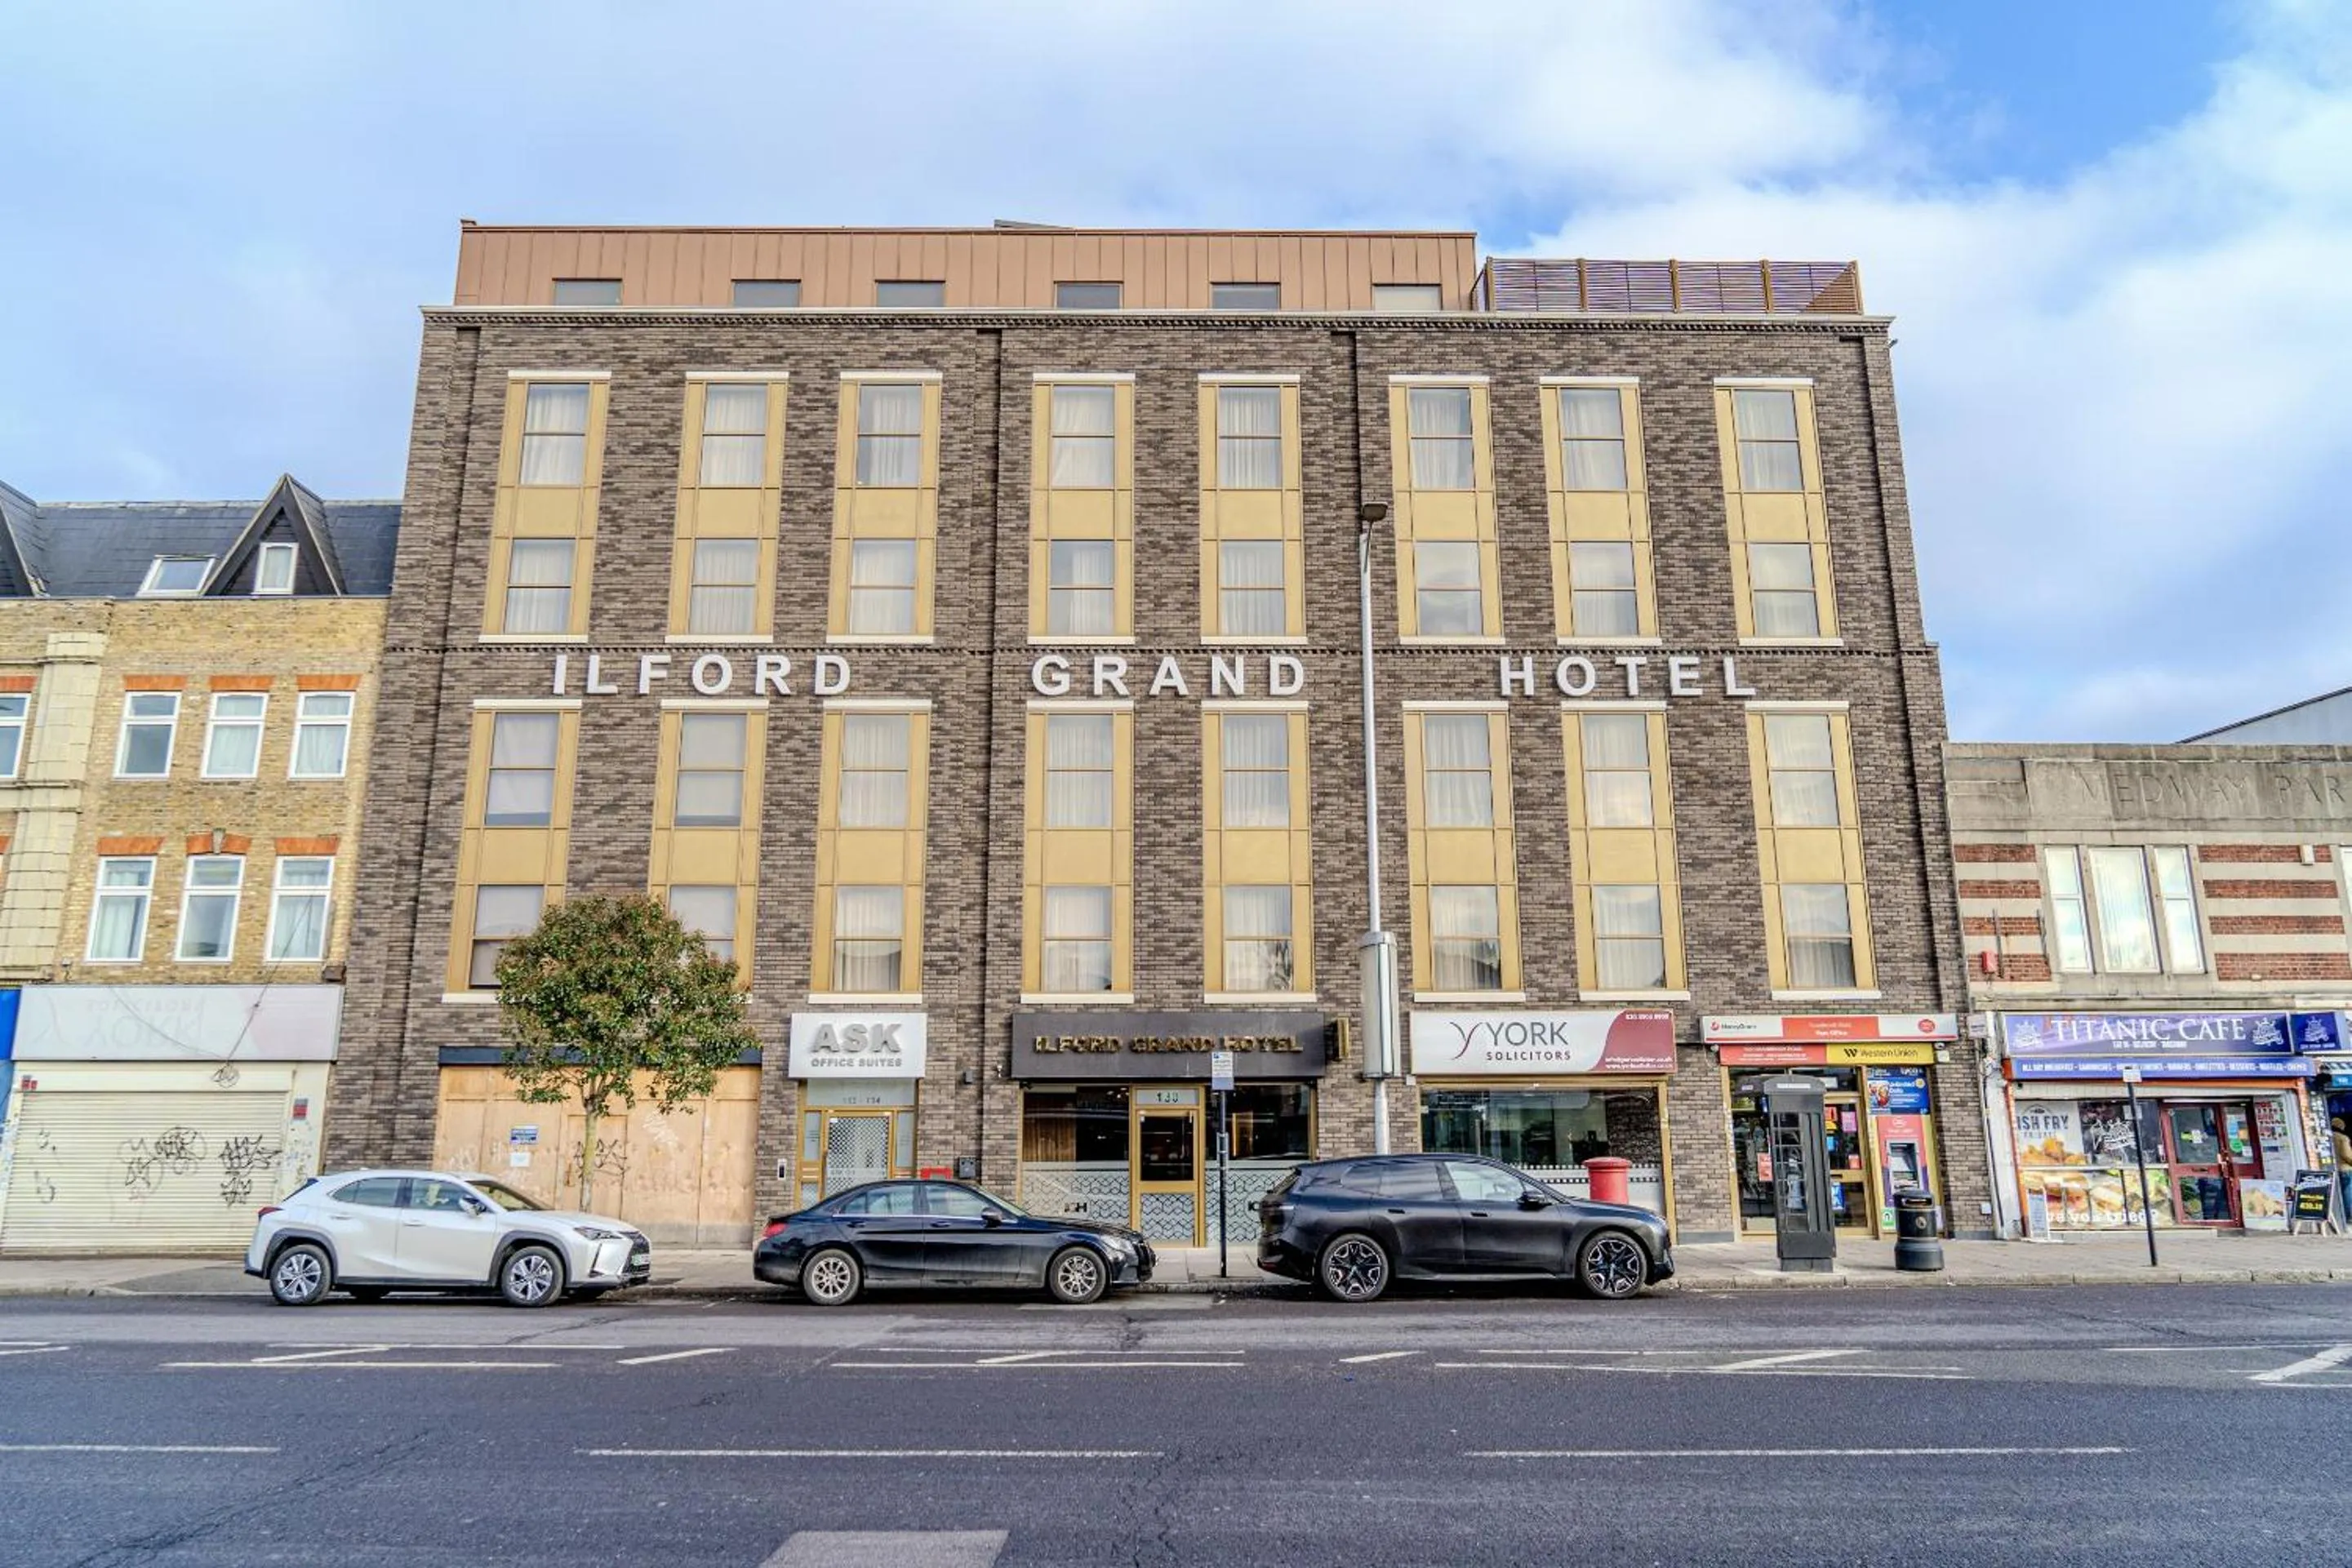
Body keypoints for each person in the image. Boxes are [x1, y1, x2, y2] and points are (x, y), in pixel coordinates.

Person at [2333, 1117, 2352, 1224]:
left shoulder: (2328, 1136)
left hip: (2334, 1169)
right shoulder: (2343, 1138)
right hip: (2345, 1169)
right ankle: (2349, 1216)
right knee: (2348, 1193)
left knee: (2338, 1193)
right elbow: (2347, 1155)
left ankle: (2340, 1215)